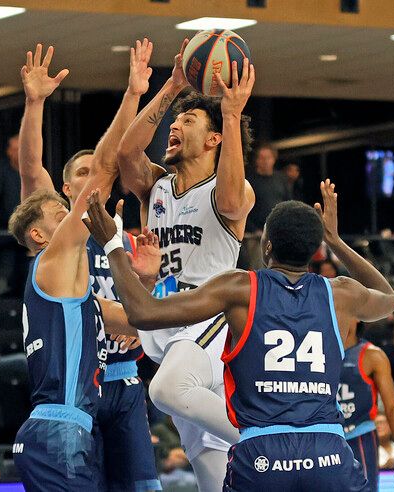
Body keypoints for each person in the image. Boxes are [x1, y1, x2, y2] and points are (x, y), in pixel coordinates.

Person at [83, 179, 394, 491]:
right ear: (314, 249)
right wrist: (335, 241)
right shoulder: (340, 294)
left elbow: (143, 313)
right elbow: (388, 298)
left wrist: (112, 244)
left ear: (266, 246)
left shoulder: (240, 288)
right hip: (328, 451)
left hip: (263, 452)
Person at [9, 43, 159, 492]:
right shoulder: (58, 248)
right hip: (68, 412)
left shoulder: (110, 244)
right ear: (67, 187)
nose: (96, 178)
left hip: (113, 381)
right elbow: (38, 167)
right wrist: (135, 96)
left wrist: (148, 279)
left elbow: (131, 316)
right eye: (87, 173)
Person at [116, 39, 256, 490]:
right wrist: (173, 86)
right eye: (175, 120)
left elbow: (233, 201)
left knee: (166, 390)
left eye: (188, 120)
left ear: (213, 138)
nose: (174, 126)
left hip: (210, 315)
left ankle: (273, 439)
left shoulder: (228, 189)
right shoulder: (158, 186)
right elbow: (125, 155)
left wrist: (231, 114)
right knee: (210, 469)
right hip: (167, 322)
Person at [339, 316, 394, 491]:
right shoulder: (318, 349)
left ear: (357, 317)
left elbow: (392, 407)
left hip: (360, 436)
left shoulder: (373, 355)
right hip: (328, 436)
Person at [0, 134, 28, 296]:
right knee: (7, 276)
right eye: (16, 149)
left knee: (27, 274)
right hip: (6, 232)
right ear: (9, 151)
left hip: (27, 233)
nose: (19, 153)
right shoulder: (0, 168)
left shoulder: (31, 168)